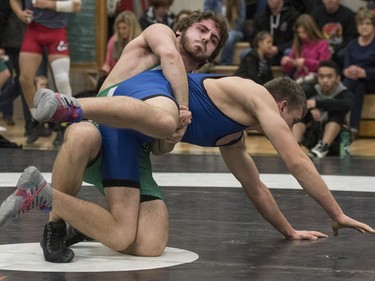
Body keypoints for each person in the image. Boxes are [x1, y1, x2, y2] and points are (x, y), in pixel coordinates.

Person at [8, 70, 375, 264]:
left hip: (136, 145)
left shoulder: (233, 136)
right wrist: (336, 213)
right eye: (293, 120)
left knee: (150, 246)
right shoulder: (253, 93)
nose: (290, 128)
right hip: (123, 124)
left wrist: (289, 230)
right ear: (281, 106)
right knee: (122, 235)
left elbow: (256, 186)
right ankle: (51, 168)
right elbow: (295, 159)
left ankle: (74, 215)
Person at [0, 10, 229, 263]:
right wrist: (182, 109)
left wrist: (173, 135)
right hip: (102, 131)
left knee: (150, 244)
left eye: (214, 39)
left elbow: (159, 149)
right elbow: (170, 56)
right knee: (81, 136)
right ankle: (55, 226)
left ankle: (69, 212)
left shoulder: (187, 84)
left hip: (135, 153)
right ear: (180, 31)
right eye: (202, 29)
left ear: (212, 55)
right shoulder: (161, 34)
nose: (207, 38)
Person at [9, 0, 82, 144]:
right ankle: (37, 119)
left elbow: (77, 5)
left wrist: (50, 4)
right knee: (24, 79)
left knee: (62, 80)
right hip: (34, 30)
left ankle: (65, 124)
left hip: (56, 31)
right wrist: (20, 13)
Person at [292, 60, 354, 158]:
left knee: (337, 112)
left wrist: (317, 104)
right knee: (301, 111)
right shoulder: (311, 90)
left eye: (329, 76)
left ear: (337, 78)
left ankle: (323, 147)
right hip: (312, 134)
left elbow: (347, 105)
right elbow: (294, 100)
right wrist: (309, 109)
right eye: (321, 76)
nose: (325, 80)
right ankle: (294, 146)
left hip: (335, 141)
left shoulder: (345, 93)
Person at [342, 7, 375, 139]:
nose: (364, 27)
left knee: (355, 84)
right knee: (359, 86)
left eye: (367, 23)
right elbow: (345, 68)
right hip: (357, 81)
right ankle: (353, 129)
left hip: (372, 80)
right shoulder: (352, 45)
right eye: (361, 24)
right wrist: (350, 71)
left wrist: (365, 73)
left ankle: (336, 103)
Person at [280, 13, 331, 84]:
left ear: (310, 30)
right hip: (299, 78)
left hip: (315, 79)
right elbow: (287, 70)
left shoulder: (322, 43)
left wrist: (305, 62)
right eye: (299, 32)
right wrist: (287, 63)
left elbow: (323, 65)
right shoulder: (298, 44)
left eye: (304, 32)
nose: (301, 35)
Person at [98, 10, 142, 90]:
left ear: (132, 28)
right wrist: (105, 68)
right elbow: (107, 63)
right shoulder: (113, 41)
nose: (121, 31)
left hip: (133, 77)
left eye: (124, 28)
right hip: (116, 77)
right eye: (119, 28)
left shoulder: (139, 42)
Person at [311, 0, 357, 69]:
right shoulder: (316, 14)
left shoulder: (349, 14)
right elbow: (312, 35)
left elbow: (351, 39)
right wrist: (323, 48)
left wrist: (334, 49)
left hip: (341, 48)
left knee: (342, 54)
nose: (330, 1)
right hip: (320, 47)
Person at [252, 0, 300, 65]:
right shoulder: (261, 16)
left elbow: (296, 40)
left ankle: (289, 75)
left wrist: (279, 49)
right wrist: (263, 47)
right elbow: (254, 37)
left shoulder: (292, 15)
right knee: (246, 53)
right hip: (264, 52)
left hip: (282, 52)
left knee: (288, 52)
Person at [219, 0, 247, 65]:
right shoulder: (215, 1)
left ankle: (224, 64)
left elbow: (241, 20)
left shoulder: (240, 2)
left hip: (236, 31)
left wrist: (230, 30)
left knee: (229, 36)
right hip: (220, 30)